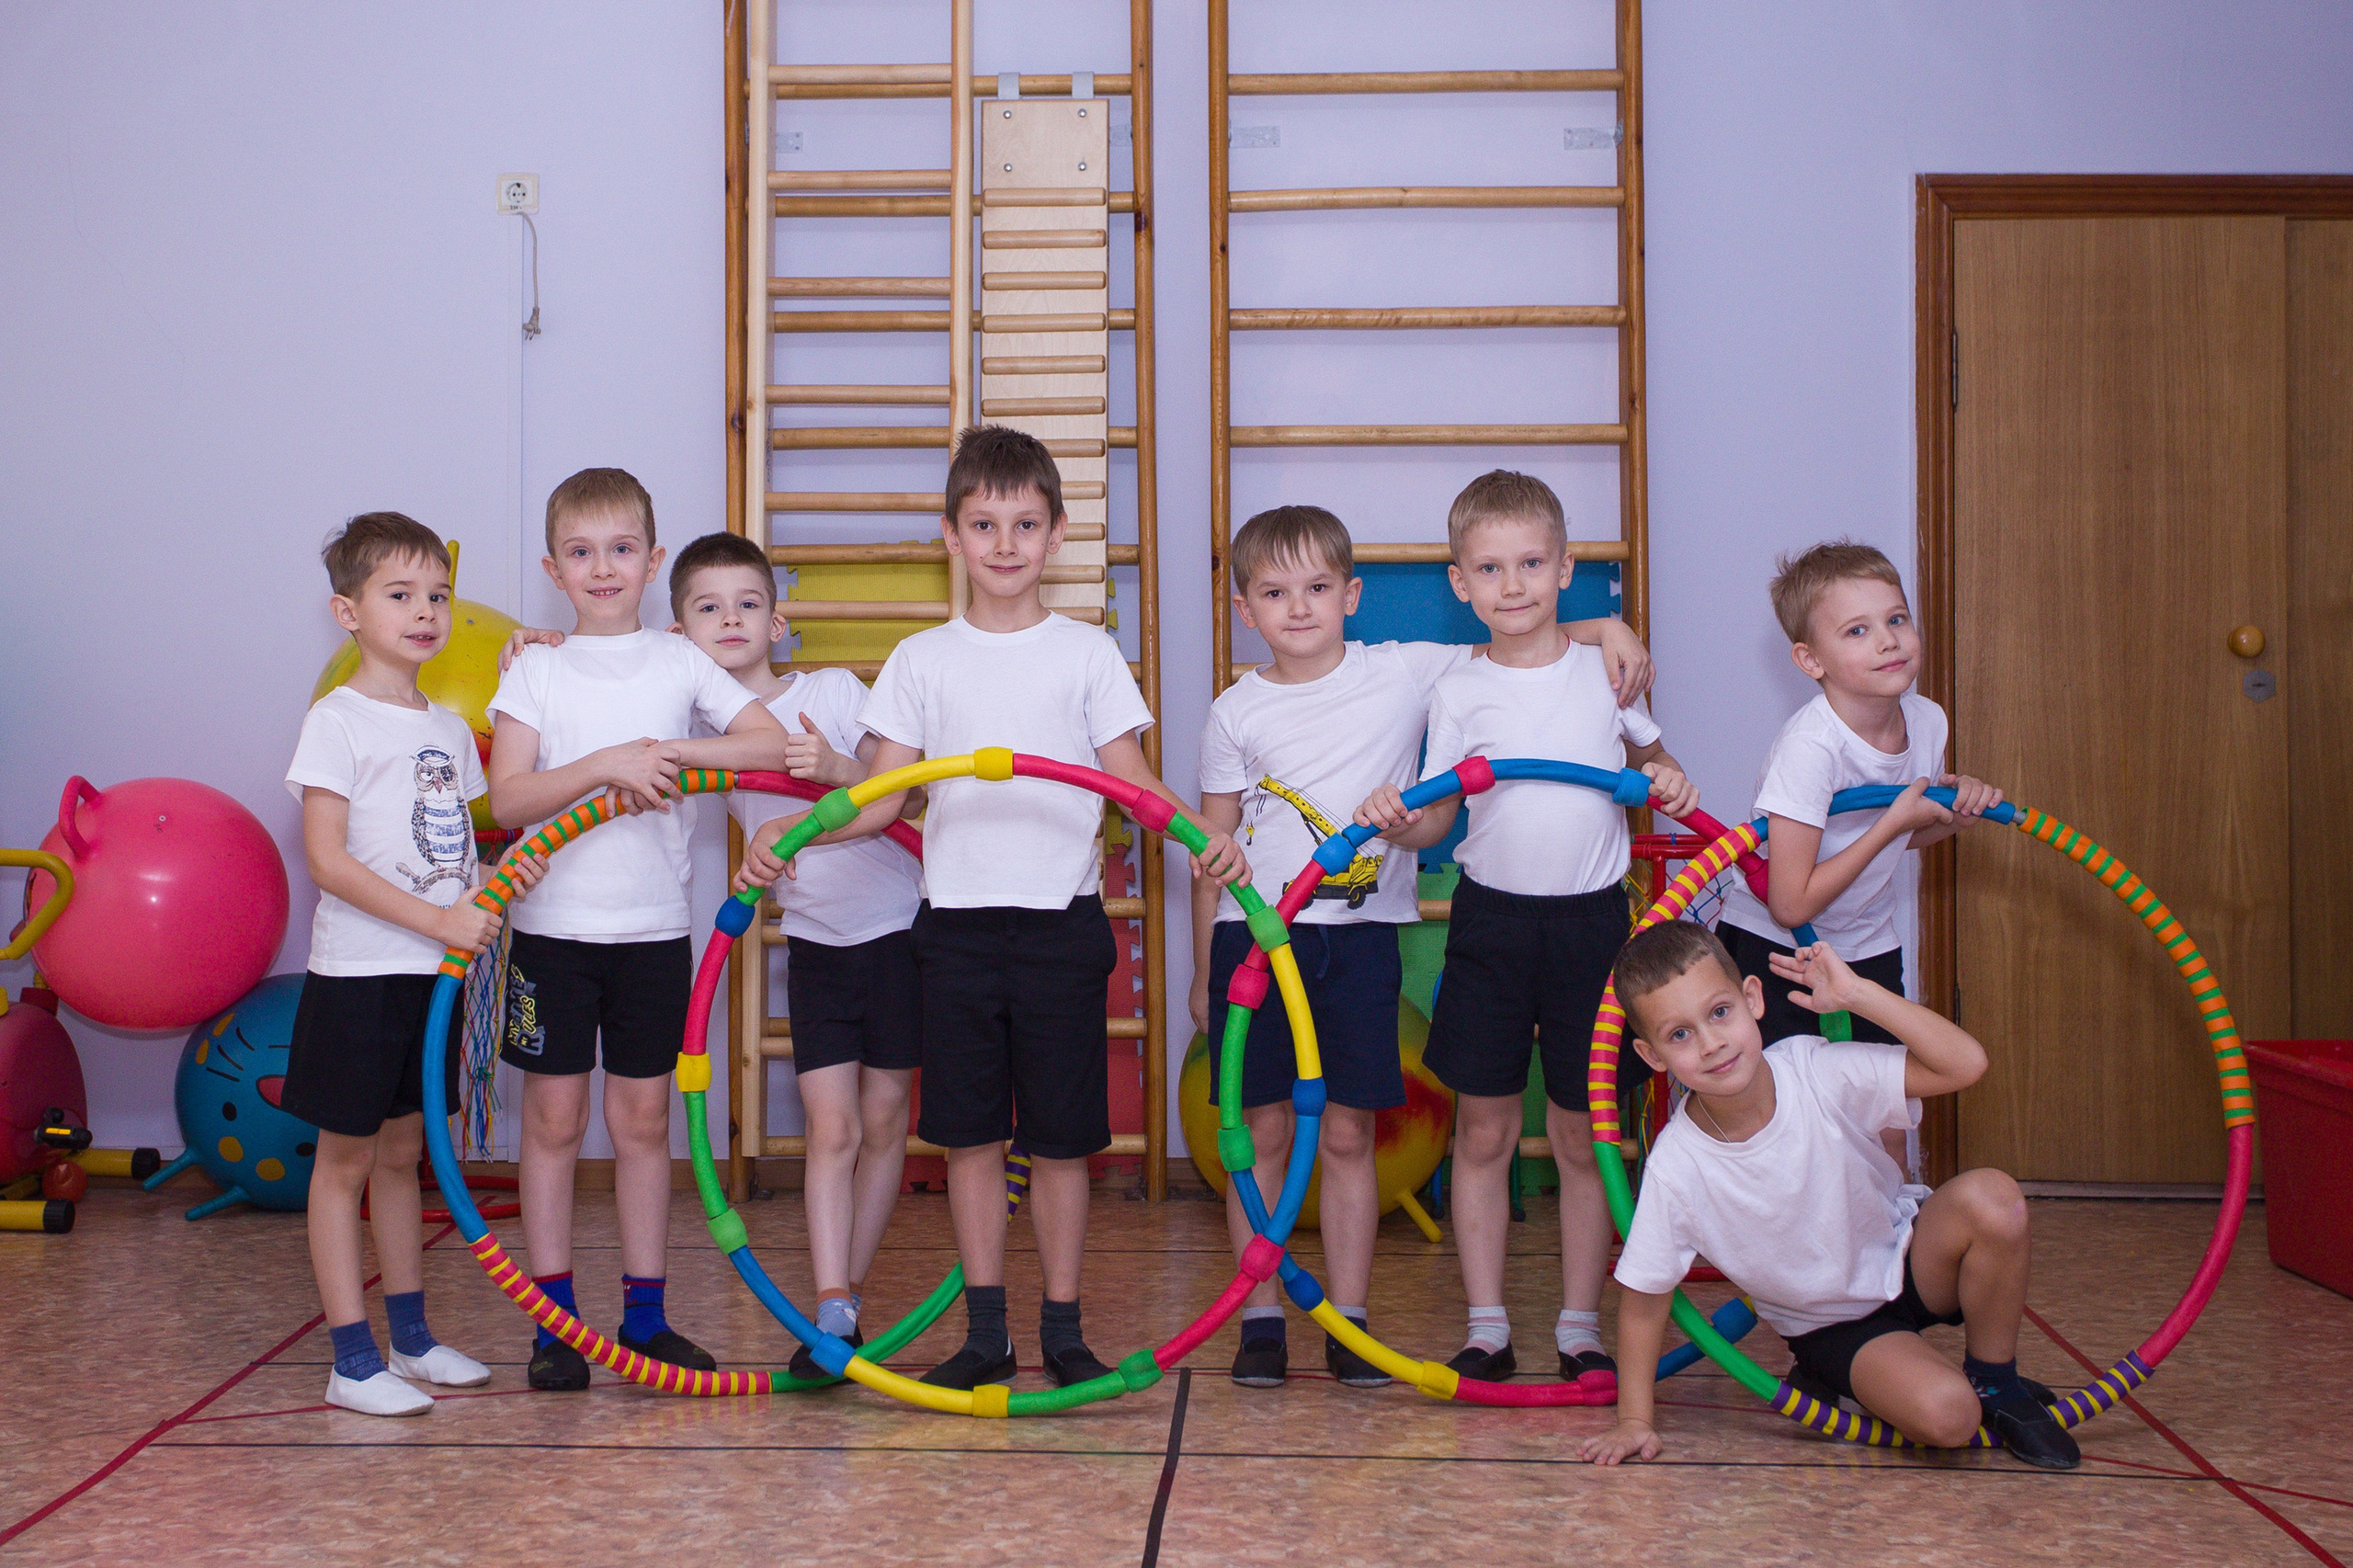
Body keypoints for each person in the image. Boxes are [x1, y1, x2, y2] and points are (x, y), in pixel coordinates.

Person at [738, 426, 1249, 1392]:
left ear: (1056, 533)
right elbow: (885, 800)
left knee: (1059, 1142)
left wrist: (1201, 836)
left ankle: (1062, 1328)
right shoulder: (921, 658)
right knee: (971, 1137)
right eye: (983, 524)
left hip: (1061, 929)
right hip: (955, 933)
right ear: (951, 535)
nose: (1004, 543)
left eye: (1024, 524)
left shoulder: (1087, 653)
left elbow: (1131, 779)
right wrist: (794, 836)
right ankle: (986, 1335)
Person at [1194, 503, 1652, 1390]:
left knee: (1350, 1134)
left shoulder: (1409, 672)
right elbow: (1214, 845)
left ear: (1352, 595)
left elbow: (1522, 630)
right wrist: (1197, 968)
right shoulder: (1232, 712)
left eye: (1318, 587)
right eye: (1275, 594)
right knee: (1262, 1131)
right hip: (1257, 945)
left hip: (1362, 940)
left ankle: (1351, 1319)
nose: (1299, 607)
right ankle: (1260, 1317)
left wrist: (1615, 627)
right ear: (1244, 611)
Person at [1355, 470, 1697, 1397]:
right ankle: (1487, 1327)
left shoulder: (1603, 671)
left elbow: (1655, 762)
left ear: (1566, 568)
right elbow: (1436, 817)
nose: (1513, 585)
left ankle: (1581, 1327)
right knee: (1483, 1131)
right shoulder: (1459, 689)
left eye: (1532, 564)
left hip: (1594, 928)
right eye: (1490, 568)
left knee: (1586, 1137)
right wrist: (1398, 822)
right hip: (1492, 925)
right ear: (1460, 582)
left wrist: (1669, 779)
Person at [486, 469, 790, 1392]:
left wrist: (670, 754)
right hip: (551, 933)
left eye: (621, 549)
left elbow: (769, 743)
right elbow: (509, 799)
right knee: (553, 1120)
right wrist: (604, 765)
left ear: (652, 561)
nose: (603, 567)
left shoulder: (677, 661)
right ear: (554, 569)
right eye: (581, 552)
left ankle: (647, 1319)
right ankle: (554, 1325)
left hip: (654, 932)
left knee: (645, 1121)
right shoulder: (535, 668)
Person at [1582, 919, 2078, 1470]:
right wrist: (1634, 1420)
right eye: (1679, 1035)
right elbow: (1644, 1303)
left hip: (1906, 1259)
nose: (1711, 1043)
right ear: (1653, 1056)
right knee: (1950, 1419)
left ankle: (1995, 1382)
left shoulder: (1816, 1069)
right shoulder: (1677, 1167)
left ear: (1752, 999)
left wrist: (1859, 994)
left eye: (1720, 1012)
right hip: (1831, 1326)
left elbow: (1966, 1064)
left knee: (1995, 1197)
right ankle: (1834, 1374)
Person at [285, 513, 547, 1415]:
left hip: (431, 980)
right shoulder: (336, 720)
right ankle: (351, 1359)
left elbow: (465, 848)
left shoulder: (446, 726)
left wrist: (503, 876)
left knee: (404, 1153)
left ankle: (412, 1339)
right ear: (348, 612)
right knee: (345, 1163)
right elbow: (327, 860)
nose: (427, 611)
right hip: (359, 977)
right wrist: (440, 918)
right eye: (400, 594)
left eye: (436, 594)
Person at [667, 529, 926, 1382]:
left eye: (748, 604)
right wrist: (537, 642)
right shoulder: (696, 724)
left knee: (883, 1122)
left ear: (776, 623)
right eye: (709, 608)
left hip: (898, 930)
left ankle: (849, 1291)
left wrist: (836, 765)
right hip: (815, 945)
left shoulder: (831, 691)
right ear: (680, 636)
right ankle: (831, 1305)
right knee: (832, 1126)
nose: (730, 619)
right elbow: (602, 678)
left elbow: (906, 793)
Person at [1711, 541, 2003, 1174]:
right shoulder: (1811, 749)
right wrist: (1894, 820)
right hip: (1777, 949)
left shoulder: (1928, 722)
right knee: (1787, 1119)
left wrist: (1949, 820)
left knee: (1885, 1117)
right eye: (1857, 630)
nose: (1888, 641)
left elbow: (1899, 840)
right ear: (1810, 660)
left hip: (1866, 943)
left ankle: (1889, 1234)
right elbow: (1790, 903)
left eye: (1897, 619)